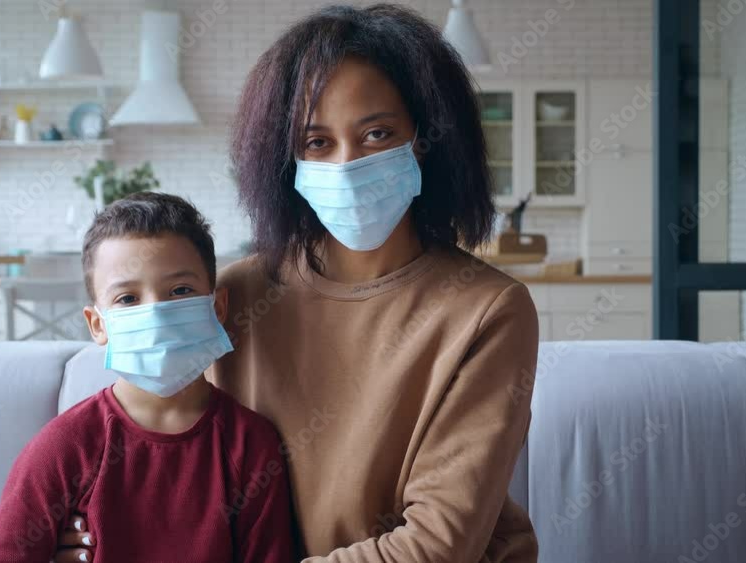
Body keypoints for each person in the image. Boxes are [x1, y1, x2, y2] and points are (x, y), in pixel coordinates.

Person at [54, 4, 539, 562]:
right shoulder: (233, 297)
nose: (347, 164)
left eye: (377, 133)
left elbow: (438, 545)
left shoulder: (488, 310)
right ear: (286, 161)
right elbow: (168, 453)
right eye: (317, 142)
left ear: (426, 140)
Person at [0, 192, 295, 562]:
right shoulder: (63, 449)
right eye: (127, 299)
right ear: (98, 325)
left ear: (218, 307)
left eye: (180, 291)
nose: (157, 314)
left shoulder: (252, 446)